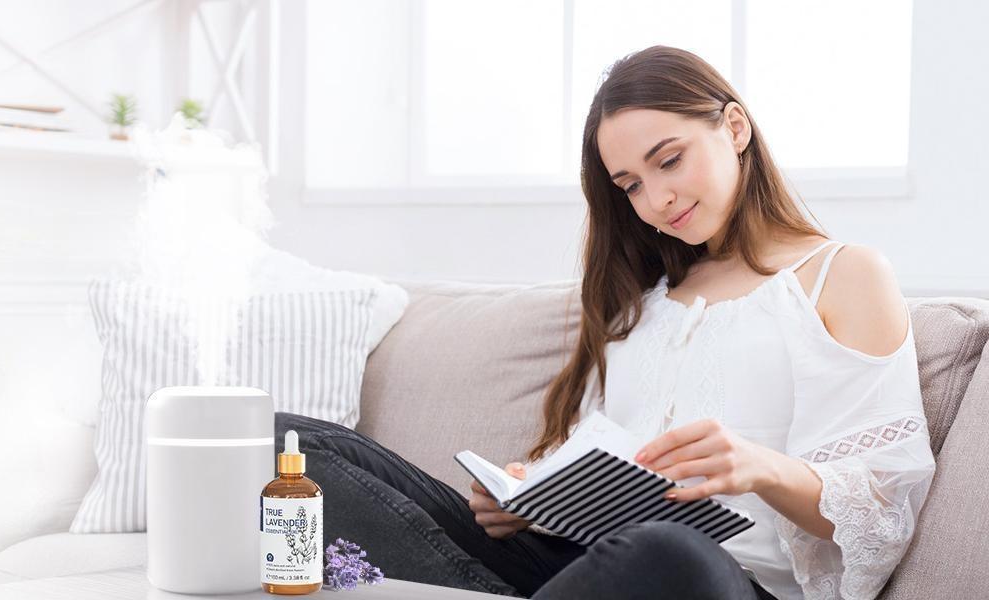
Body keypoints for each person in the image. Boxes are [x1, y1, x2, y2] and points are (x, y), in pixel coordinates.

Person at [275, 45, 934, 600]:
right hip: (578, 566)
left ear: (734, 127)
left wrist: (761, 466)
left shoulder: (842, 275)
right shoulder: (641, 302)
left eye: (668, 159)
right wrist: (525, 497)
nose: (656, 199)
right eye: (630, 185)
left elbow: (881, 515)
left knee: (668, 550)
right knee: (287, 445)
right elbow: (595, 461)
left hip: (707, 579)